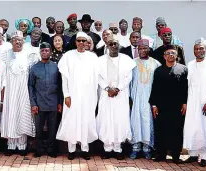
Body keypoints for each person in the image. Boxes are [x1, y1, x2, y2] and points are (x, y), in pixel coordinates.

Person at [56, 32, 99, 160]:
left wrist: (94, 96)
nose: (81, 43)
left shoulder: (93, 57)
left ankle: (85, 149)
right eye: (79, 40)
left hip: (88, 96)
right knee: (72, 121)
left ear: (87, 43)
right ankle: (72, 149)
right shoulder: (68, 56)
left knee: (86, 120)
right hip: (72, 95)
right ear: (75, 42)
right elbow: (65, 78)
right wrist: (67, 95)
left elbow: (96, 78)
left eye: (83, 41)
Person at [96, 35, 136, 160]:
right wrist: (108, 89)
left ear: (119, 46)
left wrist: (117, 88)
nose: (113, 46)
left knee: (119, 120)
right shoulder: (100, 60)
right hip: (106, 95)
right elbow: (98, 77)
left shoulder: (127, 60)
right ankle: (107, 148)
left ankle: (118, 148)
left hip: (120, 95)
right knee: (106, 120)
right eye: (111, 44)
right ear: (107, 45)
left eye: (115, 44)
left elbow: (128, 77)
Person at [0, 31, 39, 156]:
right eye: (15, 40)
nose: (17, 42)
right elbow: (2, 73)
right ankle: (11, 145)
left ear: (23, 41)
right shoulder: (5, 55)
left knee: (23, 115)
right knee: (11, 114)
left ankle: (22, 145)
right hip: (10, 90)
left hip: (24, 90)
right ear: (11, 41)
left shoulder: (30, 55)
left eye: (20, 40)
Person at [149, 45, 188, 164]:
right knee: (161, 129)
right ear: (164, 56)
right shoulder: (159, 70)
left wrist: (185, 103)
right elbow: (154, 88)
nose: (171, 55)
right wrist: (154, 105)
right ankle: (161, 154)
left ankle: (176, 155)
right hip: (162, 106)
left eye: (173, 53)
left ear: (177, 55)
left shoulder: (183, 69)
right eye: (168, 53)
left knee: (176, 130)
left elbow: (186, 88)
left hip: (177, 106)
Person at [183, 38, 206, 167]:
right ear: (194, 51)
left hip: (205, 102)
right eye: (197, 48)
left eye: (201, 48)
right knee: (192, 127)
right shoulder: (190, 65)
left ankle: (204, 157)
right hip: (192, 101)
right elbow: (186, 85)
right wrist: (185, 102)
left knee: (205, 128)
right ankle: (192, 155)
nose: (199, 50)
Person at [28, 42, 63, 158]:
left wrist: (59, 102)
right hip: (39, 103)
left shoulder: (56, 67)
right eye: (42, 51)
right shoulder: (34, 68)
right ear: (40, 52)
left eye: (47, 50)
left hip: (53, 102)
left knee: (53, 128)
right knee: (39, 128)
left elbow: (59, 86)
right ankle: (40, 149)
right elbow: (31, 86)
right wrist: (33, 103)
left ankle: (52, 149)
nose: (44, 52)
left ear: (50, 51)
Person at [130, 39, 161, 160]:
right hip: (136, 97)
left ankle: (147, 148)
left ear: (149, 49)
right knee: (136, 121)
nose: (142, 50)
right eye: (140, 48)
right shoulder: (132, 63)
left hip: (150, 98)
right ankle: (135, 147)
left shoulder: (156, 64)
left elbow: (158, 84)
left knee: (147, 122)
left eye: (145, 48)